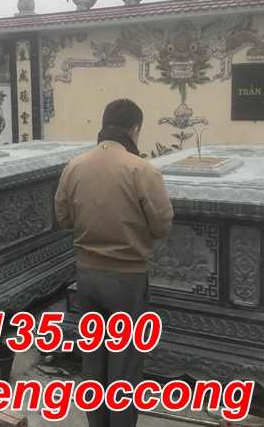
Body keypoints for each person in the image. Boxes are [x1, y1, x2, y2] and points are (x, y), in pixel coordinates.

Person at [55, 98, 174, 427]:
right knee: (125, 365)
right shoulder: (142, 170)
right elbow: (162, 227)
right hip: (127, 280)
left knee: (93, 360)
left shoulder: (74, 167)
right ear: (135, 129)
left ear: (104, 125)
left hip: (87, 275)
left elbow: (63, 218)